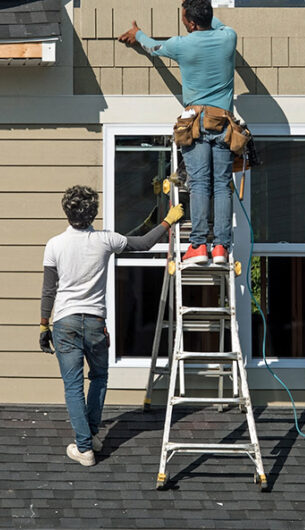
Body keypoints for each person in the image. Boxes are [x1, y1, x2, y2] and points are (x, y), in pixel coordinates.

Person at [39, 185, 183, 466]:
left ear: (66, 211)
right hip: (94, 322)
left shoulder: (54, 244)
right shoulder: (105, 240)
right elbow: (143, 244)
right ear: (93, 213)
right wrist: (168, 220)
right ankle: (89, 436)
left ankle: (85, 446)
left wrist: (44, 325)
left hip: (65, 322)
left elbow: (48, 291)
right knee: (100, 377)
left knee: (72, 386)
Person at [118, 0, 237, 267]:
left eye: (185, 18)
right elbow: (216, 25)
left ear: (191, 24)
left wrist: (138, 33)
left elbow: (153, 47)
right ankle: (220, 247)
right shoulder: (229, 37)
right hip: (224, 124)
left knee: (199, 183)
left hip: (195, 122)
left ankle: (198, 246)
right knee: (221, 186)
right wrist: (201, 10)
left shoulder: (181, 45)